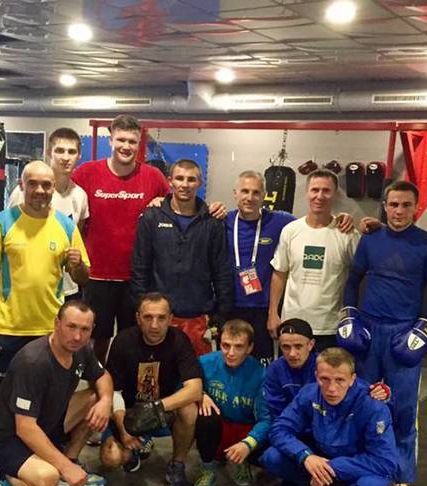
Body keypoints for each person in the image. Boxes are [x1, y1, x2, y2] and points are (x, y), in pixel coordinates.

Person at [0, 160, 90, 480]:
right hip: (9, 326)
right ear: (22, 185)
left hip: (51, 329)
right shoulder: (2, 222)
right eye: (33, 183)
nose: (40, 190)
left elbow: (82, 276)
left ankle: (40, 448)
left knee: (49, 394)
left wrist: (77, 264)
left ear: (53, 189)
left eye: (46, 185)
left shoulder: (65, 225)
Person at [339, 180, 427, 486]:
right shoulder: (371, 239)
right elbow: (352, 281)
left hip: (404, 331)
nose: (399, 211)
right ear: (385, 206)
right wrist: (349, 316)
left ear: (416, 208)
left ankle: (401, 475)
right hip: (369, 330)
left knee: (403, 408)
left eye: (406, 205)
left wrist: (425, 328)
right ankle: (362, 469)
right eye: (393, 204)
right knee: (362, 402)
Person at [0, 300, 113, 486]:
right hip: (6, 438)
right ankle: (4, 475)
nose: (77, 336)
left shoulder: (80, 350)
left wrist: (105, 400)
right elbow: (25, 427)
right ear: (57, 324)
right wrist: (64, 468)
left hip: (45, 424)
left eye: (84, 329)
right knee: (47, 479)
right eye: (71, 327)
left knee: (95, 398)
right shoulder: (33, 362)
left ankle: (70, 458)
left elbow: (102, 376)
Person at [260, 348, 398, 486]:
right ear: (316, 376)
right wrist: (306, 456)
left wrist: (331, 468)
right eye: (324, 379)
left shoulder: (373, 406)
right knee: (272, 457)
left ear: (352, 379)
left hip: (358, 464)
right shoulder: (309, 393)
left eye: (340, 380)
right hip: (322, 456)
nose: (331, 388)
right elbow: (279, 429)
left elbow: (385, 462)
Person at [72, 115, 170, 361]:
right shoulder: (86, 173)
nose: (126, 146)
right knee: (96, 337)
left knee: (133, 337)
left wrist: (165, 203)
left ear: (139, 143)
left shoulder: (154, 177)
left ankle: (126, 380)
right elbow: (60, 194)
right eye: (121, 140)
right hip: (96, 274)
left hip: (136, 276)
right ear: (111, 140)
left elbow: (178, 206)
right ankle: (94, 378)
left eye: (132, 141)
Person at [99, 293, 202, 486]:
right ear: (138, 318)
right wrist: (123, 428)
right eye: (148, 317)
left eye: (161, 318)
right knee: (111, 459)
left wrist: (155, 408)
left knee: (189, 409)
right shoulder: (123, 341)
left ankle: (177, 464)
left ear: (170, 319)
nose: (155, 325)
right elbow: (113, 391)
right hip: (129, 412)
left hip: (163, 411)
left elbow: (195, 389)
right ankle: (134, 451)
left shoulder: (179, 340)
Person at [130, 159, 233, 355]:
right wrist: (142, 309)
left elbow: (221, 271)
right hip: (158, 317)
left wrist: (222, 314)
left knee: (195, 372)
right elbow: (139, 268)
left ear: (199, 182)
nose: (185, 184)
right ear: (170, 181)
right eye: (179, 178)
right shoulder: (152, 217)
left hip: (198, 317)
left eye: (191, 179)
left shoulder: (212, 222)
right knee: (155, 372)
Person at [268, 169, 360, 350]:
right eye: (315, 190)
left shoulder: (347, 234)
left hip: (330, 326)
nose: (320, 196)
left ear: (335, 194)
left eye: (326, 190)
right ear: (307, 192)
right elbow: (280, 274)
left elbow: (360, 275)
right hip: (293, 323)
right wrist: (273, 313)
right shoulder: (291, 231)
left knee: (327, 369)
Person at [193, 320, 270, 486]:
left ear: (250, 348)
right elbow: (181, 387)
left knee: (270, 442)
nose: (231, 353)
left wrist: (248, 444)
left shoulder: (262, 375)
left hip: (244, 429)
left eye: (239, 346)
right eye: (226, 345)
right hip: (217, 426)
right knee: (202, 414)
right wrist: (200, 393)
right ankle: (207, 468)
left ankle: (244, 460)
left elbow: (267, 419)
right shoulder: (204, 362)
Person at [225, 171, 296, 366]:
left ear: (264, 195)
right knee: (232, 360)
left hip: (264, 308)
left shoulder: (280, 220)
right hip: (230, 306)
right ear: (235, 193)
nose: (250, 197)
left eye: (256, 192)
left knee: (261, 364)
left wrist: (339, 219)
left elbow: (311, 224)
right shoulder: (223, 220)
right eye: (244, 191)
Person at [10, 127, 89, 301]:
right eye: (59, 150)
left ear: (79, 155)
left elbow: (76, 237)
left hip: (66, 286)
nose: (65, 157)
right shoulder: (23, 192)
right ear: (49, 153)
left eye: (71, 152)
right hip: (28, 284)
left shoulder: (80, 195)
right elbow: (8, 232)